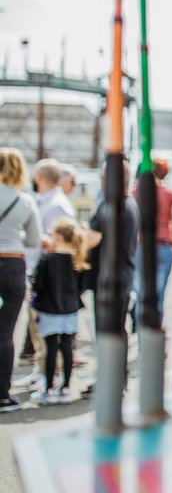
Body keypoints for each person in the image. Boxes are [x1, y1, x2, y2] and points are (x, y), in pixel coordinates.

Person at [80, 160, 140, 398]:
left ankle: (110, 381)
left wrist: (79, 233)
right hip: (123, 275)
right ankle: (116, 379)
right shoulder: (130, 204)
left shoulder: (110, 206)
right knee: (117, 332)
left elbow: (92, 239)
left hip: (109, 279)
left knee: (107, 332)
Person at [17, 158, 77, 389]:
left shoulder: (57, 205)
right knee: (37, 329)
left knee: (47, 330)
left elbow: (62, 243)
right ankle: (41, 371)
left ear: (39, 177)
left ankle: (52, 375)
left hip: (46, 277)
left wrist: (43, 241)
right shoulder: (45, 201)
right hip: (35, 270)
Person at [30, 218, 87, 404]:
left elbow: (38, 285)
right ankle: (66, 387)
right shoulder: (77, 261)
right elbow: (81, 286)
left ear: (59, 237)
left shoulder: (47, 259)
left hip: (49, 309)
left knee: (51, 349)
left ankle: (48, 389)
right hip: (70, 310)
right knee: (67, 348)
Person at [0, 148, 41, 412]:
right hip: (13, 264)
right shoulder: (24, 201)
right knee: (5, 331)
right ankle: (3, 395)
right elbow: (34, 240)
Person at [131, 158, 172, 325]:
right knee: (158, 293)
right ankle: (154, 328)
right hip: (163, 247)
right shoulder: (170, 194)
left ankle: (141, 327)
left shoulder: (133, 193)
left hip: (140, 247)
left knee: (141, 292)